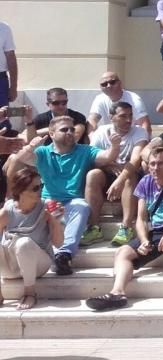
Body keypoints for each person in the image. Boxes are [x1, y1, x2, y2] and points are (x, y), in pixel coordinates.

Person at [84, 146, 163, 311]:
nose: (155, 168)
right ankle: (117, 293)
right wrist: (144, 240)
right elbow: (140, 218)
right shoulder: (145, 182)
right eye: (152, 163)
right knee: (123, 252)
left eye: (160, 164)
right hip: (160, 231)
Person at [6, 115, 120, 276]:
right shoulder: (43, 152)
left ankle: (63, 255)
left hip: (72, 203)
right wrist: (30, 147)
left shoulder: (85, 150)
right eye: (64, 129)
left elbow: (107, 156)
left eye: (72, 129)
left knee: (81, 206)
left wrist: (115, 146)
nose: (70, 132)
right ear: (52, 133)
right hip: (48, 201)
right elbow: (19, 160)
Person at [84, 102, 149, 247]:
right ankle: (94, 228)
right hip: (108, 173)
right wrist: (109, 165)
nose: (128, 120)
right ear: (111, 117)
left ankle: (126, 228)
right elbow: (92, 158)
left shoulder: (139, 132)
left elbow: (135, 160)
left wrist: (119, 180)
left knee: (129, 177)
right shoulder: (101, 131)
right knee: (92, 175)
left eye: (130, 115)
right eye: (123, 116)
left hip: (130, 175)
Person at [0, 167, 64, 310]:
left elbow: (59, 243)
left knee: (24, 243)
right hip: (11, 268)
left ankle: (30, 293)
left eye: (41, 186)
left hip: (38, 265)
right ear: (21, 191)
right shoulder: (8, 210)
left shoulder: (47, 207)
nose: (40, 190)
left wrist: (55, 221)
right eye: (35, 188)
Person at [87, 71, 151, 136]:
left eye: (112, 82)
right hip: (110, 136)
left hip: (132, 136)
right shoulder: (99, 99)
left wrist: (144, 141)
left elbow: (144, 124)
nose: (109, 86)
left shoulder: (134, 99)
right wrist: (92, 139)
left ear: (120, 83)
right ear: (100, 87)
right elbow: (92, 121)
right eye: (104, 84)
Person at [0, 20, 17, 109]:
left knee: (2, 118)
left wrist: (13, 87)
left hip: (1, 80)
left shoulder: (4, 28)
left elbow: (11, 57)